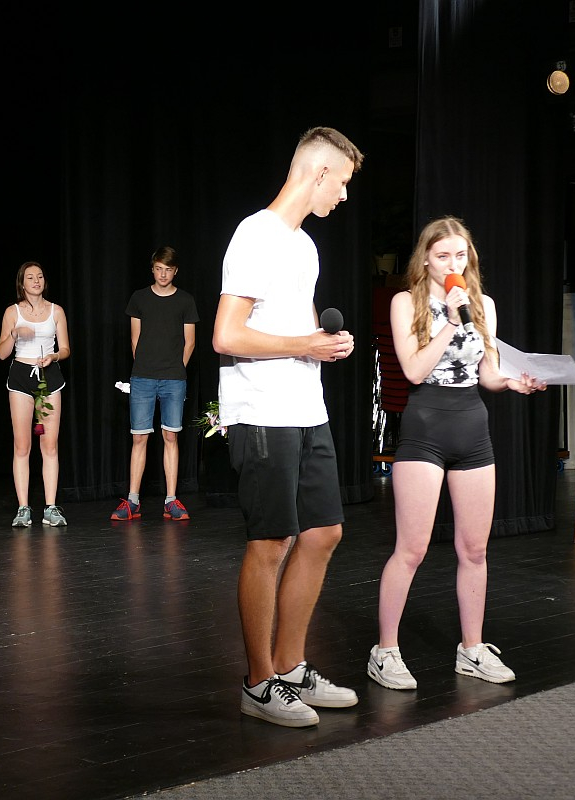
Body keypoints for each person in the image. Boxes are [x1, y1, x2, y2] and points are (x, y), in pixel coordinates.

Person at [212, 126, 363, 727]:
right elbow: (226, 334)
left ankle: (292, 667)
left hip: (307, 409)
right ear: (319, 173)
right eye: (342, 183)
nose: (344, 196)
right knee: (272, 541)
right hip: (261, 412)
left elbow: (292, 327)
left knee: (323, 533)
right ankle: (258, 683)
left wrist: (321, 342)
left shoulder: (305, 246)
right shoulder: (255, 235)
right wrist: (305, 345)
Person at [367, 216, 545, 690]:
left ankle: (472, 649)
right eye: (443, 255)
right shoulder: (406, 302)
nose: (453, 264)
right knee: (412, 548)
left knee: (475, 549)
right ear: (425, 259)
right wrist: (448, 321)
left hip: (472, 428)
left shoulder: (482, 305)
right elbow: (414, 371)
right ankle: (385, 651)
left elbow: (487, 373)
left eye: (460, 255)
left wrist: (513, 382)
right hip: (425, 429)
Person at [110, 246, 198, 522]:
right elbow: (134, 339)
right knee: (139, 437)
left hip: (173, 378)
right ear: (152, 269)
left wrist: (176, 369)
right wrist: (145, 367)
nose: (163, 274)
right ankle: (133, 500)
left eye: (168, 270)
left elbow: (190, 342)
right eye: (159, 269)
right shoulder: (139, 298)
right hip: (143, 377)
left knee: (170, 436)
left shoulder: (185, 300)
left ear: (175, 271)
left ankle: (171, 500)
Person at [0, 262, 72, 527]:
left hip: (49, 376)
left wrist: (54, 356)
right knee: (22, 446)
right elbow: (2, 354)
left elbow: (65, 349)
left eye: (39, 276)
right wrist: (15, 333)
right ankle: (23, 508)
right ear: (22, 283)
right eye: (30, 277)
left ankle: (50, 507)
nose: (36, 281)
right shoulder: (12, 312)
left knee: (49, 445)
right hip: (21, 376)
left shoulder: (56, 311)